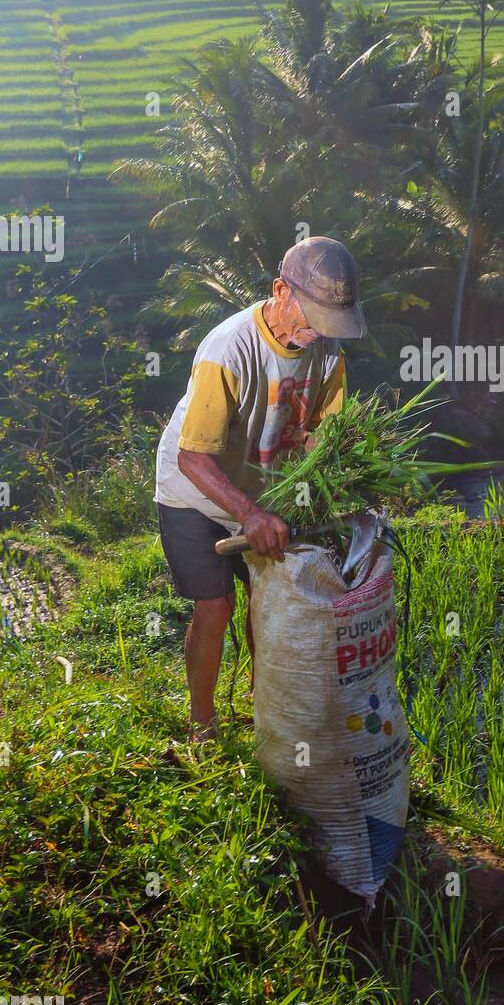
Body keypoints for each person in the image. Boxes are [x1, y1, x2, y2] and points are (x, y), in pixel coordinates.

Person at [154, 237, 367, 741]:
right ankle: (201, 725)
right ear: (280, 291)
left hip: (262, 491)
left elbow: (322, 435)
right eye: (312, 317)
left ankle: (263, 707)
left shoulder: (327, 355)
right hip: (194, 489)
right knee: (215, 607)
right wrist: (248, 515)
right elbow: (192, 456)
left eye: (329, 323)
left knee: (265, 601)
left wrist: (336, 481)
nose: (318, 333)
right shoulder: (229, 349)